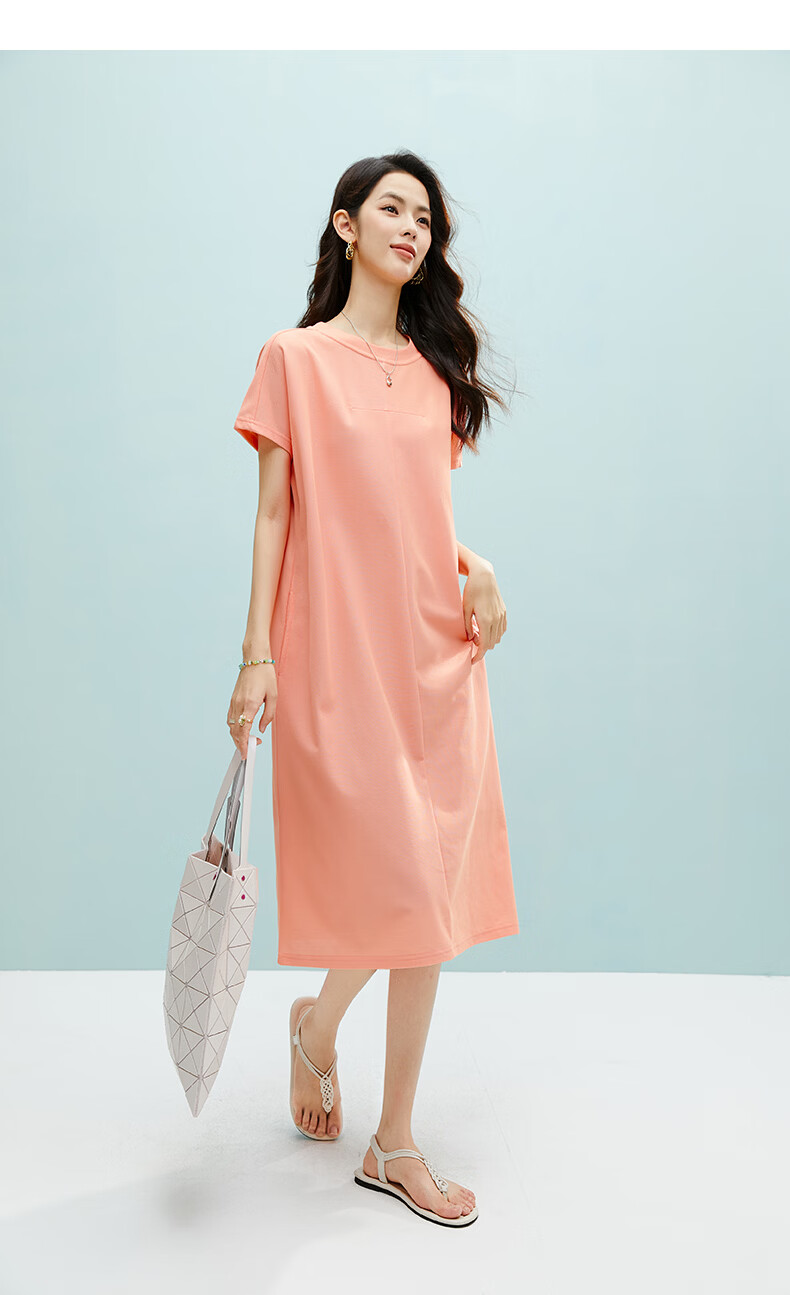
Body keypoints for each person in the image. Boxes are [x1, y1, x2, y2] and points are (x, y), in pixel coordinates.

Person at [226, 150, 519, 1227]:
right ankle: (322, 1034)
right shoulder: (293, 358)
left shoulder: (435, 370)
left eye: (426, 218)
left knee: (425, 892)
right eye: (392, 209)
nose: (412, 228)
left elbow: (415, 517)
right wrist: (254, 654)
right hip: (337, 653)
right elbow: (278, 512)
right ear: (346, 225)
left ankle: (388, 1138)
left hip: (436, 651)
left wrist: (479, 566)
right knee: (394, 877)